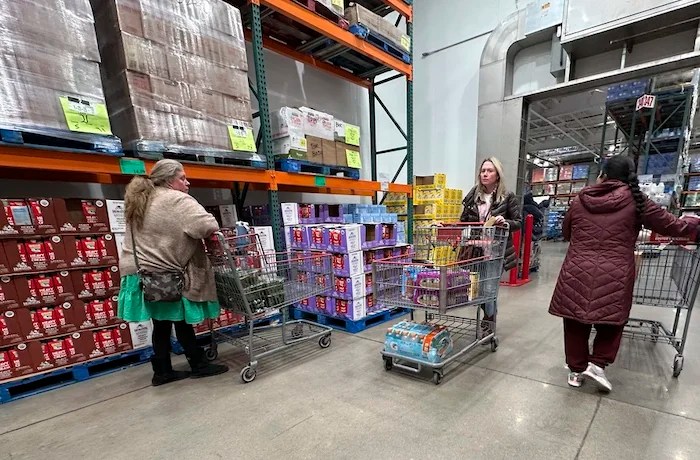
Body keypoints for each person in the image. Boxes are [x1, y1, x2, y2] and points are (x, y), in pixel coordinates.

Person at [549, 155, 699, 392]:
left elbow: (567, 232)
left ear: (603, 175)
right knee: (612, 319)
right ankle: (597, 365)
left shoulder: (580, 199)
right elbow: (671, 225)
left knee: (576, 321)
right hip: (616, 271)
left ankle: (576, 371)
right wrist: (693, 223)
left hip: (577, 269)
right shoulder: (637, 201)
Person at [118, 159, 229, 386]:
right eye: (182, 178)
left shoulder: (142, 197)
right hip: (165, 275)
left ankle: (163, 371)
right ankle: (196, 364)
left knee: (163, 322)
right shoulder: (176, 199)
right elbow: (206, 225)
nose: (187, 183)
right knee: (177, 320)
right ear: (169, 180)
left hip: (141, 273)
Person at [460, 157, 521, 330]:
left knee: (489, 289)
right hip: (476, 249)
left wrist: (506, 222)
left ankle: (488, 325)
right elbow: (464, 219)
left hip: (496, 250)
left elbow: (518, 222)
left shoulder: (507, 196)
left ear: (497, 175)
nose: (485, 174)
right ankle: (489, 320)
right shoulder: (473, 195)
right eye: (483, 171)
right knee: (477, 290)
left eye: (490, 171)